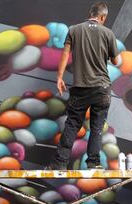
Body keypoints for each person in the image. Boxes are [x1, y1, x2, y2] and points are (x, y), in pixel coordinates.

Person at [47, 1, 120, 170]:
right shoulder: (108, 33)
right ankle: (94, 163)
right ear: (103, 17)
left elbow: (65, 53)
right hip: (102, 88)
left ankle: (60, 164)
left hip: (81, 88)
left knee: (72, 124)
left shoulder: (74, 29)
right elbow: (115, 61)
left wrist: (59, 77)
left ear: (90, 13)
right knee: (96, 128)